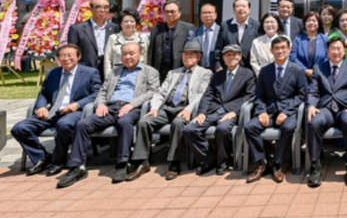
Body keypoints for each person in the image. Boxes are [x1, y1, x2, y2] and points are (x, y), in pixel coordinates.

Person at [58, 42, 160, 188]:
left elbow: (153, 91)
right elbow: (103, 91)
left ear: (140, 54)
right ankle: (77, 167)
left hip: (132, 108)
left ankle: (123, 163)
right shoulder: (114, 72)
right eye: (124, 54)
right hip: (110, 108)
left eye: (131, 53)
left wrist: (131, 104)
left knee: (124, 122)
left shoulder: (150, 71)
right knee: (82, 124)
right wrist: (100, 104)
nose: (128, 57)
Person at [126, 40, 213, 181]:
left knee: (178, 123)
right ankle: (142, 161)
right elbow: (161, 92)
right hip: (167, 107)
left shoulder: (205, 73)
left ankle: (174, 163)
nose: (187, 57)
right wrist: (155, 108)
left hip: (186, 108)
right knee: (144, 122)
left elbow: (201, 95)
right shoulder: (173, 73)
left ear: (199, 57)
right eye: (185, 54)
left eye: (191, 54)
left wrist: (189, 109)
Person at [11, 44, 101, 177]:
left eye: (70, 55)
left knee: (63, 125)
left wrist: (77, 104)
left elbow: (96, 93)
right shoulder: (53, 73)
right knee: (19, 128)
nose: (66, 59)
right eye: (62, 56)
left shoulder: (90, 72)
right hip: (52, 111)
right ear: (58, 58)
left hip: (74, 111)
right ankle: (42, 157)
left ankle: (58, 161)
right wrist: (41, 107)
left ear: (78, 56)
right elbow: (43, 93)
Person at [183, 44, 255, 176]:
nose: (231, 57)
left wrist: (235, 112)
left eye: (234, 54)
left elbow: (249, 96)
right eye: (228, 55)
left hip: (232, 112)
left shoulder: (247, 74)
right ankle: (208, 159)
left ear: (239, 56)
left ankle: (222, 162)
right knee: (189, 130)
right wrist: (201, 113)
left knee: (222, 130)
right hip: (213, 111)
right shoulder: (218, 75)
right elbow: (208, 95)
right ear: (223, 58)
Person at [245, 36, 307, 184]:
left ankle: (277, 164)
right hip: (269, 111)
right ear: (271, 51)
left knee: (289, 126)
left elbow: (302, 95)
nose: (280, 51)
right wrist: (261, 111)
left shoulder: (297, 70)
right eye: (277, 48)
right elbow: (258, 95)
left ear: (289, 50)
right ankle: (261, 163)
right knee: (250, 127)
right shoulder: (265, 71)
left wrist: (286, 112)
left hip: (288, 112)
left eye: (283, 48)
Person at [306, 37, 347, 188]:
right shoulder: (319, 68)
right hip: (325, 108)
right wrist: (311, 106)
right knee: (313, 122)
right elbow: (313, 91)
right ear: (327, 51)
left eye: (339, 48)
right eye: (332, 48)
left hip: (345, 108)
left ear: (344, 51)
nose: (336, 52)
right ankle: (315, 165)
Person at [67, 0, 120, 71]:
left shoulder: (114, 28)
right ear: (91, 9)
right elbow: (72, 51)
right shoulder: (77, 29)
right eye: (98, 7)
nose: (102, 10)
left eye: (106, 7)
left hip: (107, 69)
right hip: (86, 69)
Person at [149, 0, 195, 82]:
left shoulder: (188, 28)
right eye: (167, 11)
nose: (169, 14)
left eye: (172, 11)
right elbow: (151, 52)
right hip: (159, 71)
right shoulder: (156, 29)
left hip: (179, 70)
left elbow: (192, 51)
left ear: (179, 13)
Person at [104, 8, 148, 80]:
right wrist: (108, 78)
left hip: (138, 77)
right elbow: (107, 60)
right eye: (126, 21)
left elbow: (146, 59)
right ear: (121, 23)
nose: (129, 24)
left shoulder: (143, 38)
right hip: (117, 77)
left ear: (136, 23)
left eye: (132, 21)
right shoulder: (113, 38)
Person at [220, 0, 260, 68]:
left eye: (244, 6)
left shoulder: (257, 25)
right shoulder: (225, 25)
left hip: (250, 68)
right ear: (234, 10)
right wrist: (218, 66)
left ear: (249, 9)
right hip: (229, 67)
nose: (241, 9)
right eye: (238, 6)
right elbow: (219, 47)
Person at [291, 12, 329, 78]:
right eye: (308, 21)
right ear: (304, 24)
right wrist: (305, 70)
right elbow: (293, 57)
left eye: (314, 21)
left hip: (321, 75)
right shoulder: (298, 39)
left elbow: (328, 57)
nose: (311, 23)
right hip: (301, 75)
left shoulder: (325, 39)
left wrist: (316, 70)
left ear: (318, 24)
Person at [188, 3, 222, 72]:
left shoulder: (222, 31)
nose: (207, 15)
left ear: (215, 15)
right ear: (200, 16)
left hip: (218, 69)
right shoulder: (193, 33)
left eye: (209, 12)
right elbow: (190, 52)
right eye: (204, 13)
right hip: (198, 70)